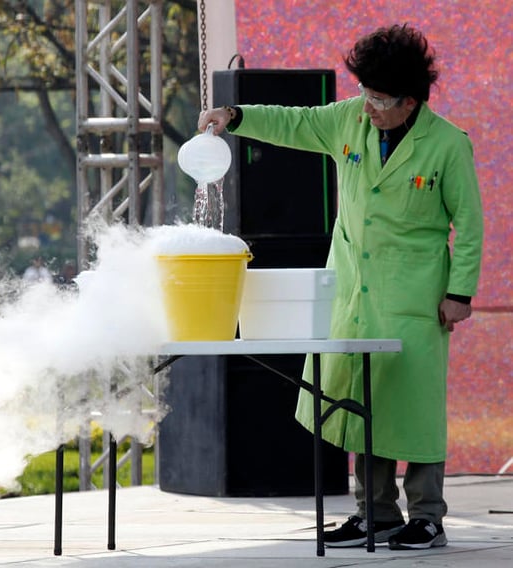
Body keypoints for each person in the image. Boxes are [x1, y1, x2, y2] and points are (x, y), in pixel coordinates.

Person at [199, 24, 483, 550]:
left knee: (415, 408)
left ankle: (427, 516)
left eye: (380, 99)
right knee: (360, 401)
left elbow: (469, 225)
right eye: (366, 94)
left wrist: (459, 294)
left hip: (418, 296)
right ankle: (374, 513)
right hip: (355, 289)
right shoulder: (348, 119)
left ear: (410, 100)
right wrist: (234, 117)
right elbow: (294, 123)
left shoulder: (447, 144)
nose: (370, 107)